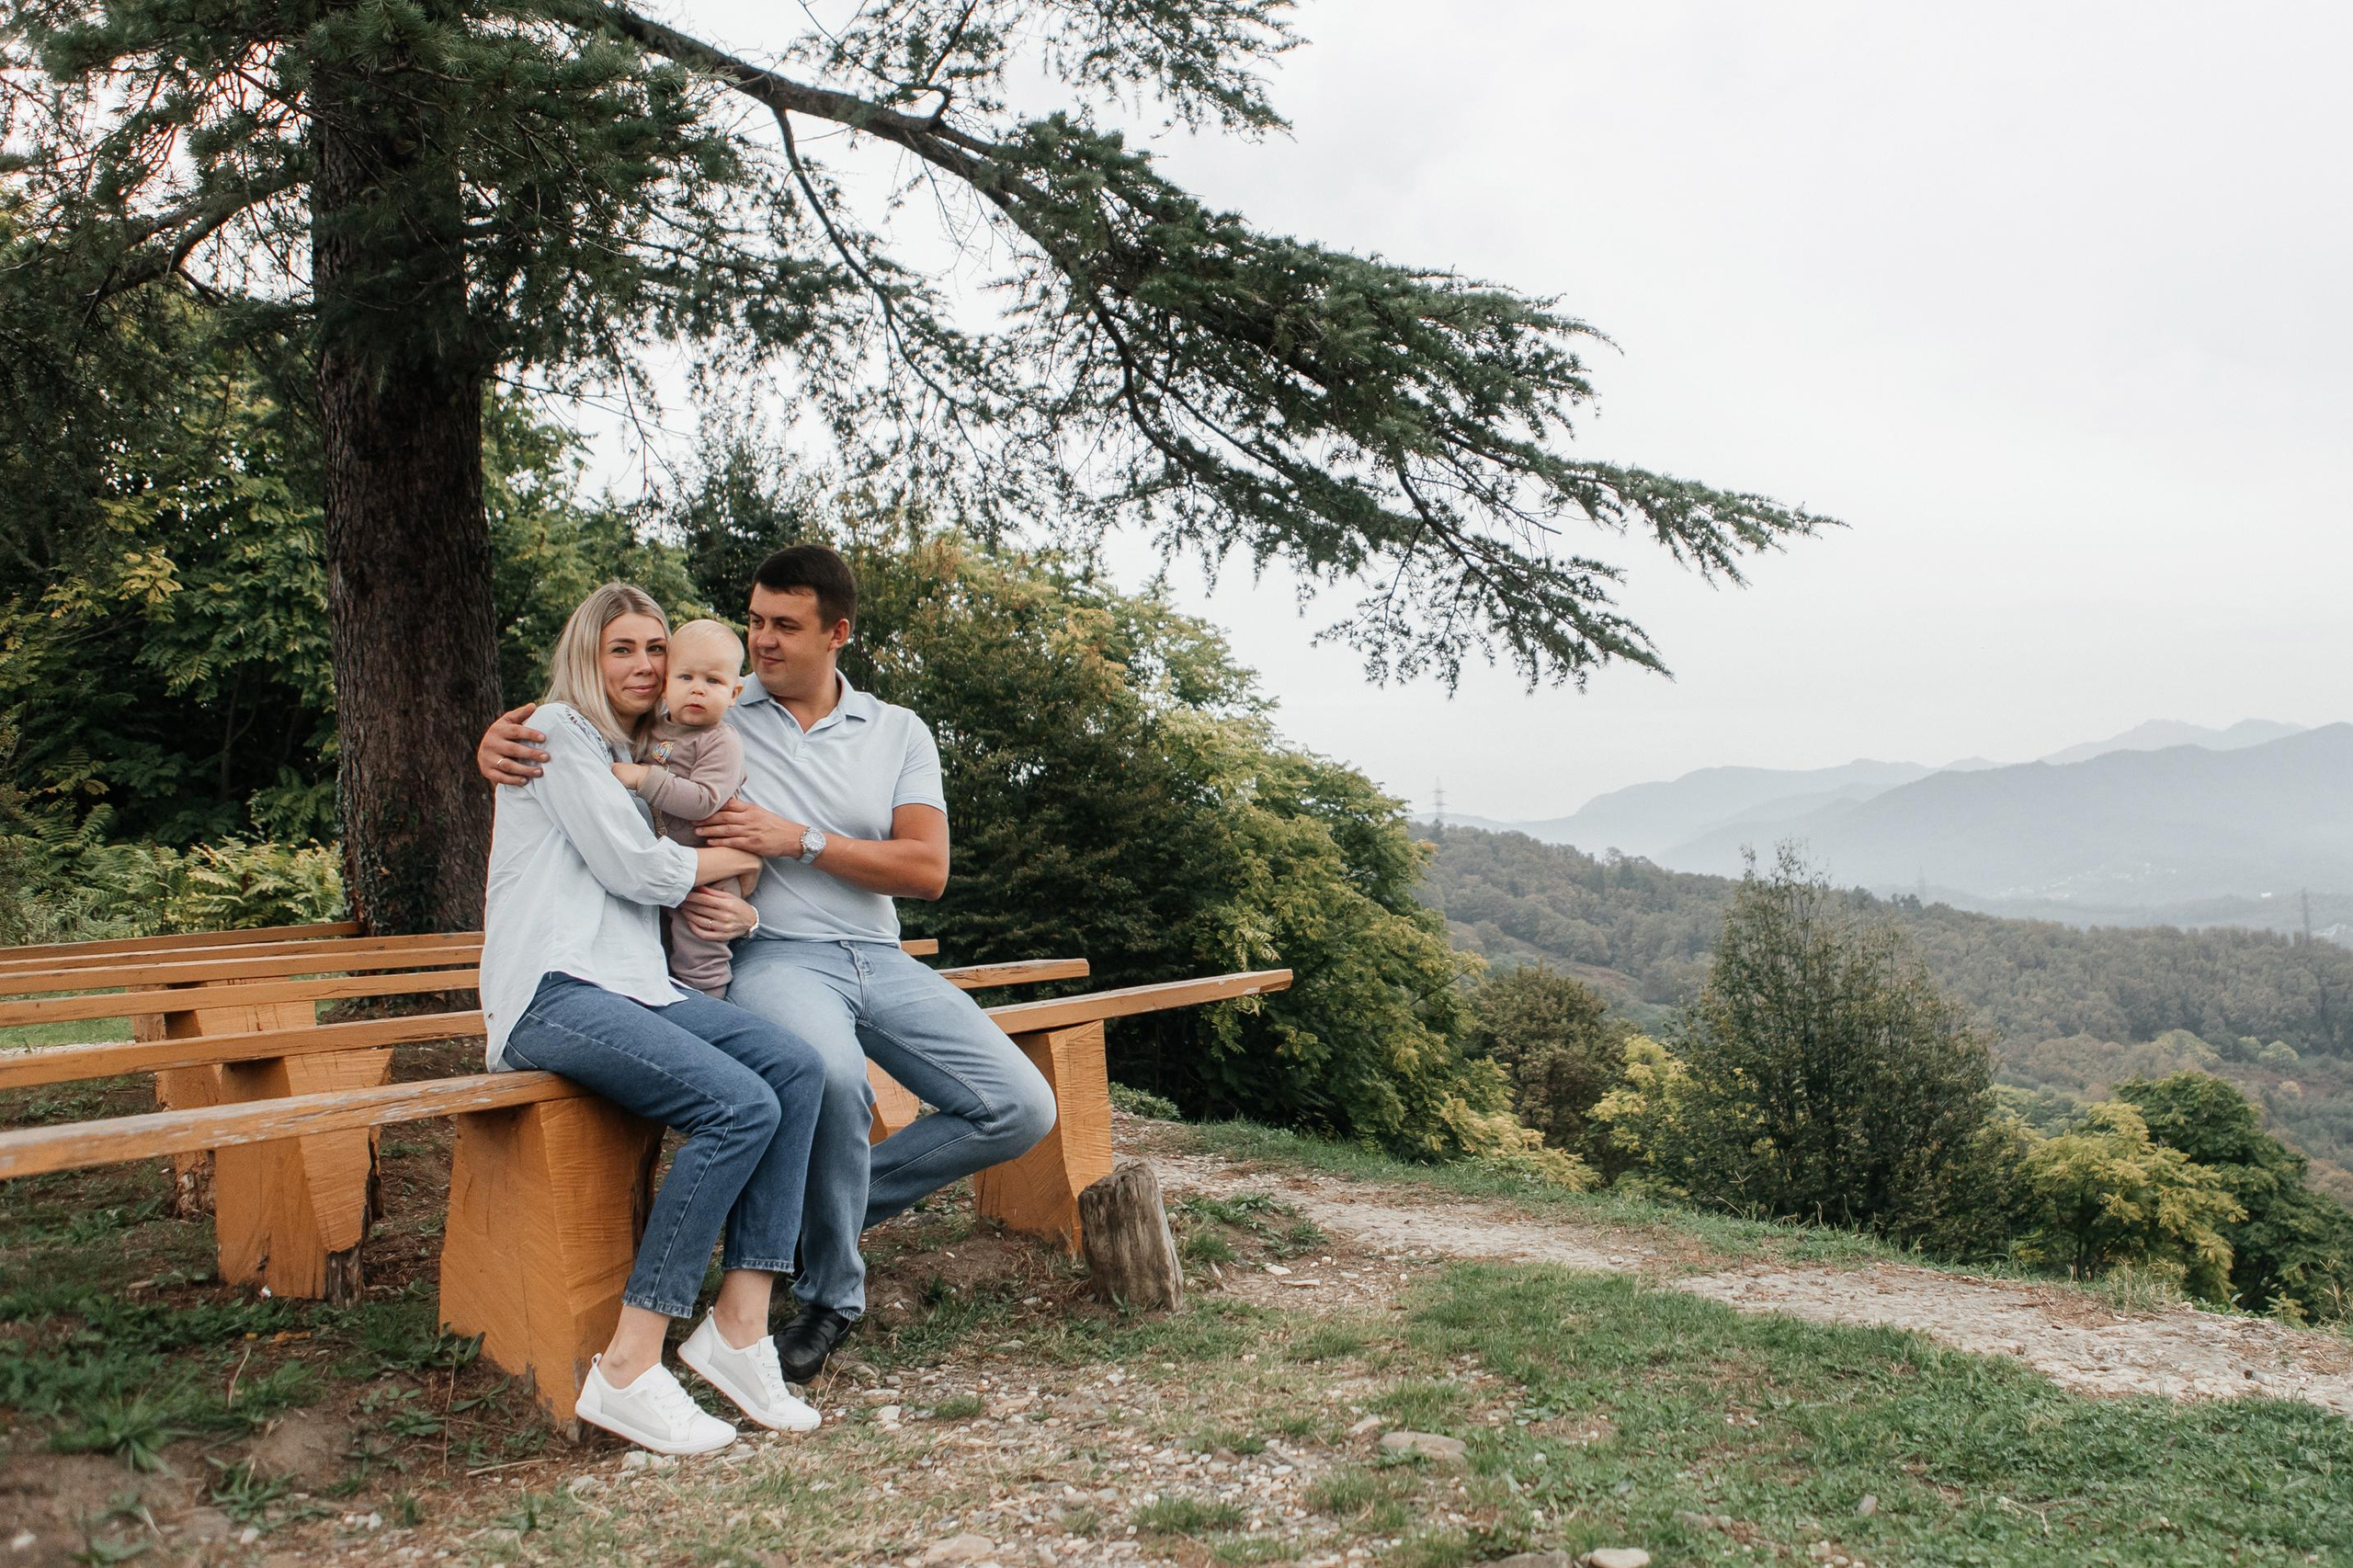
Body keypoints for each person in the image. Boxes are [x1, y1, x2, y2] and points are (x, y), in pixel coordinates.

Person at [477, 546, 1055, 1385]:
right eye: (754, 622)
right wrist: (495, 737)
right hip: (770, 953)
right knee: (828, 1078)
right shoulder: (709, 706)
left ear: (838, 634)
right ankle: (830, 1296)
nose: (764, 641)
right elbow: (582, 716)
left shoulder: (896, 729)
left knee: (1019, 1107)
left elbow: (926, 870)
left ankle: (793, 1224)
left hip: (878, 953)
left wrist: (799, 842)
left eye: (785, 626)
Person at [481, 581, 827, 1454]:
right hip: (552, 992)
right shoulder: (557, 735)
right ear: (585, 659)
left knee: (795, 1068)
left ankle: (739, 1331)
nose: (644, 665)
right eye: (621, 649)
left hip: (641, 987)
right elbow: (637, 870)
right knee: (738, 1104)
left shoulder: (651, 751)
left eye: (654, 648)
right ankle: (632, 1365)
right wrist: (742, 856)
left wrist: (744, 909)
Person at [608, 617, 756, 998]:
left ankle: (712, 1011)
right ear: (665, 684)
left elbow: (704, 801)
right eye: (685, 678)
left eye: (713, 681)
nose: (698, 690)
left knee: (700, 953)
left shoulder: (721, 741)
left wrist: (643, 778)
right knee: (656, 946)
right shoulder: (651, 730)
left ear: (734, 692)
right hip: (663, 866)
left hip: (710, 870)